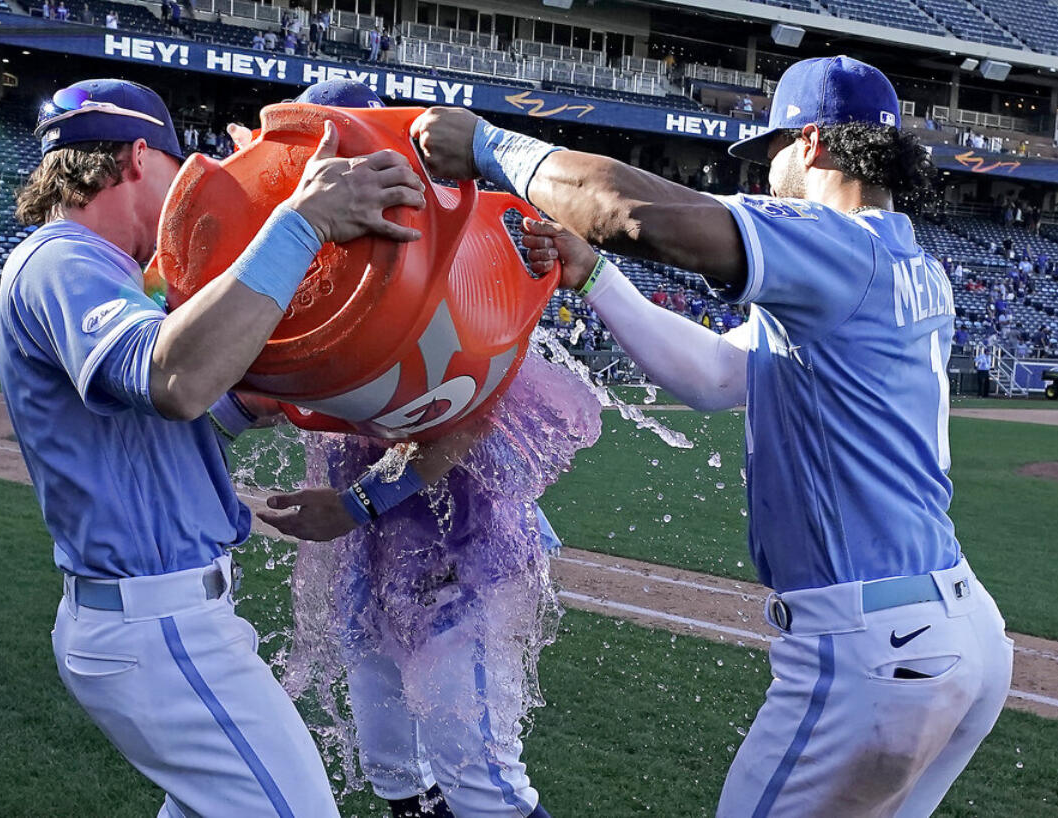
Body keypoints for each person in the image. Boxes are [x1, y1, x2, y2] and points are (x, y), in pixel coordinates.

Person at [411, 54, 1013, 816]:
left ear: (813, 143)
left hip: (871, 644)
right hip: (959, 633)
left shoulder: (835, 239)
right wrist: (596, 279)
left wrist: (494, 147)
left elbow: (630, 210)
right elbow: (720, 376)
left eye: (770, 153)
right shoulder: (905, 258)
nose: (765, 175)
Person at [0, 78, 425, 817]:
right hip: (156, 623)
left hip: (156, 615)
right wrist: (302, 222)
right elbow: (175, 379)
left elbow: (179, 419)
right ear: (138, 158)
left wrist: (281, 392)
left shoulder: (94, 267)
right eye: (175, 168)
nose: (182, 196)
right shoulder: (62, 260)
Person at [258, 80, 598, 818]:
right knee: (393, 771)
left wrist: (353, 505)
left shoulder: (455, 256)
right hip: (376, 547)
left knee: (480, 777)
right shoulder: (313, 255)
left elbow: (461, 421)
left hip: (458, 554)